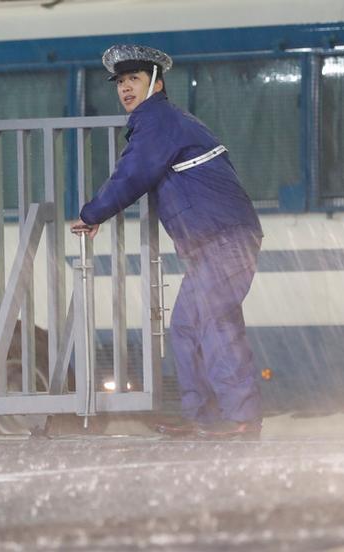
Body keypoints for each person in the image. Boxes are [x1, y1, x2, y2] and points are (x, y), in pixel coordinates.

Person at [71, 44, 264, 440]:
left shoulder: (158, 120)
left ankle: (240, 417)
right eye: (121, 82)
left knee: (212, 322)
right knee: (187, 326)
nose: (125, 89)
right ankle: (206, 417)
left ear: (156, 84)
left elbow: (133, 173)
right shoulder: (164, 121)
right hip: (215, 242)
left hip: (225, 239)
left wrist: (93, 214)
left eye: (134, 80)